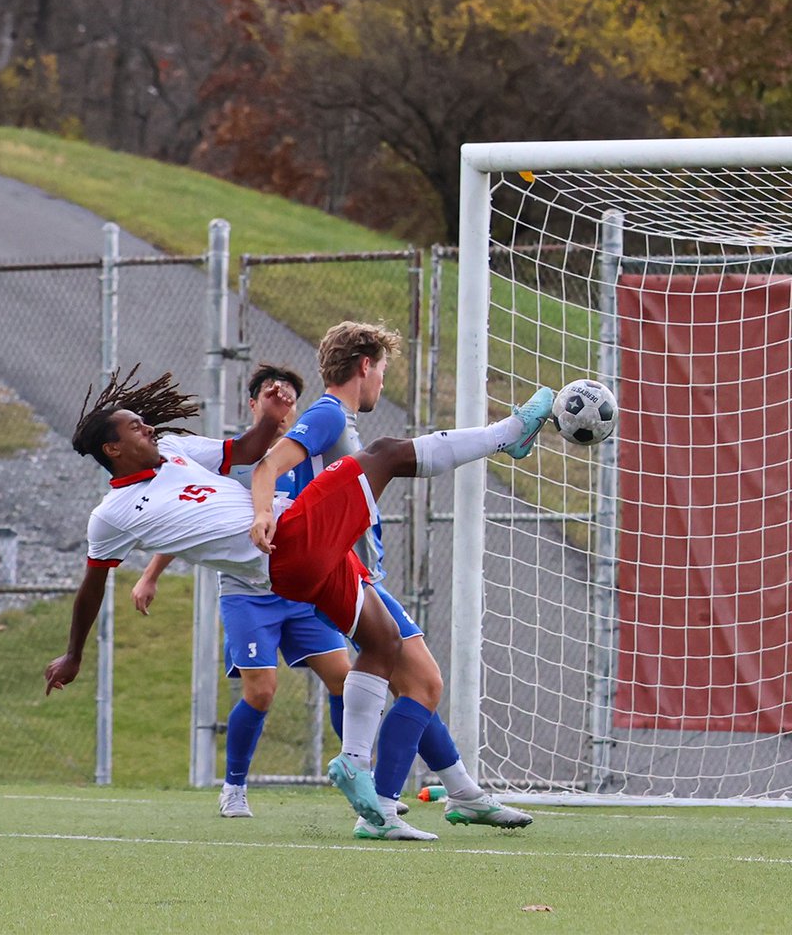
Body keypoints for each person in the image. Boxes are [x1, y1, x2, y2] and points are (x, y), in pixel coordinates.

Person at [45, 362, 552, 830]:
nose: (148, 428)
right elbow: (92, 588)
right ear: (112, 450)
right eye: (136, 427)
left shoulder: (177, 451)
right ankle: (508, 435)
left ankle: (359, 772)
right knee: (385, 454)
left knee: (384, 645)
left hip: (298, 571)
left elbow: (245, 453)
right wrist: (73, 652)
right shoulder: (110, 515)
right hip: (290, 545)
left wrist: (270, 416)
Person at [250, 321, 540, 840]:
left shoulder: (336, 422)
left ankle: (461, 793)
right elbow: (272, 463)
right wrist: (263, 510)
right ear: (365, 366)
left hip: (348, 569)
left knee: (421, 683)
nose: (382, 381)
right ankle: (382, 804)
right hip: (337, 569)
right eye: (382, 369)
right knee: (421, 681)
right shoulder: (327, 414)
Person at [131, 363, 353, 820]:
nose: (283, 402)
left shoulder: (313, 453)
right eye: (274, 395)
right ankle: (233, 787)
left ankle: (359, 779)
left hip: (302, 590)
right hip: (248, 592)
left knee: (345, 681)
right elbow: (192, 520)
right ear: (254, 405)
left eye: (292, 397)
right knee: (262, 692)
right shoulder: (231, 460)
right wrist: (151, 574)